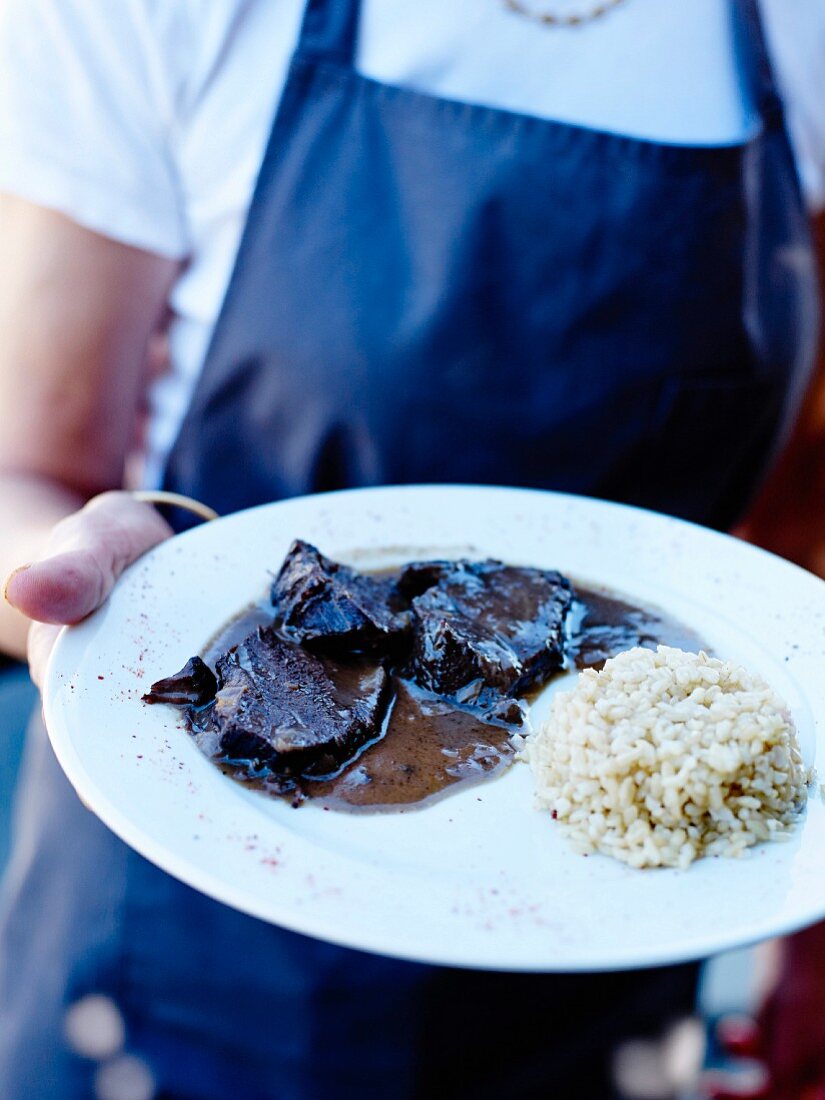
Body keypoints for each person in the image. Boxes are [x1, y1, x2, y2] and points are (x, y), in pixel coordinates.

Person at [1, 0, 824, 1097]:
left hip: (608, 924)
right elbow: (25, 471)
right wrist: (83, 594)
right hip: (184, 937)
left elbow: (788, 530)